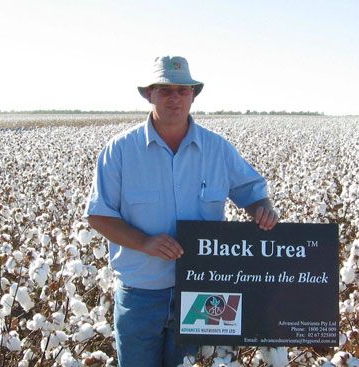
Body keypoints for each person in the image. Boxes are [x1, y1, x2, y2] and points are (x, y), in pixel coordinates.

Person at [85, 56, 279, 367]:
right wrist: (144, 242)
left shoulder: (218, 149)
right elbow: (99, 215)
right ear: (149, 95)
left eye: (182, 90)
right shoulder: (120, 150)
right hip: (141, 294)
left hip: (202, 291)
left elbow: (253, 192)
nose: (175, 98)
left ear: (193, 95)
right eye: (165, 90)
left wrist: (263, 209)